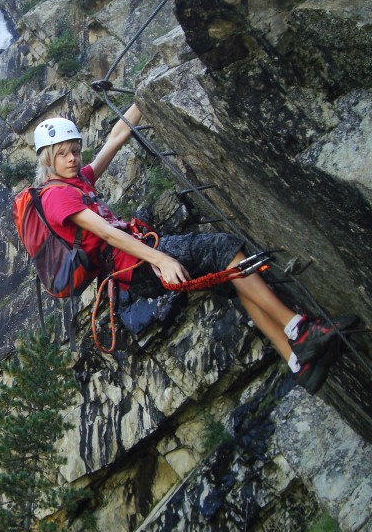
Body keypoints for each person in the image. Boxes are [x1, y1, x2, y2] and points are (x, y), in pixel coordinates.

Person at [32, 107, 357, 393]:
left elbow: (116, 137)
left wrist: (140, 101)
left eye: (74, 150)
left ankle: (298, 363)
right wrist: (161, 259)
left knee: (236, 275)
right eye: (62, 153)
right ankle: (298, 329)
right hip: (138, 263)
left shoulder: (78, 181)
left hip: (137, 260)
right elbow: (106, 233)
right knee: (223, 248)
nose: (73, 158)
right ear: (48, 157)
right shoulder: (56, 195)